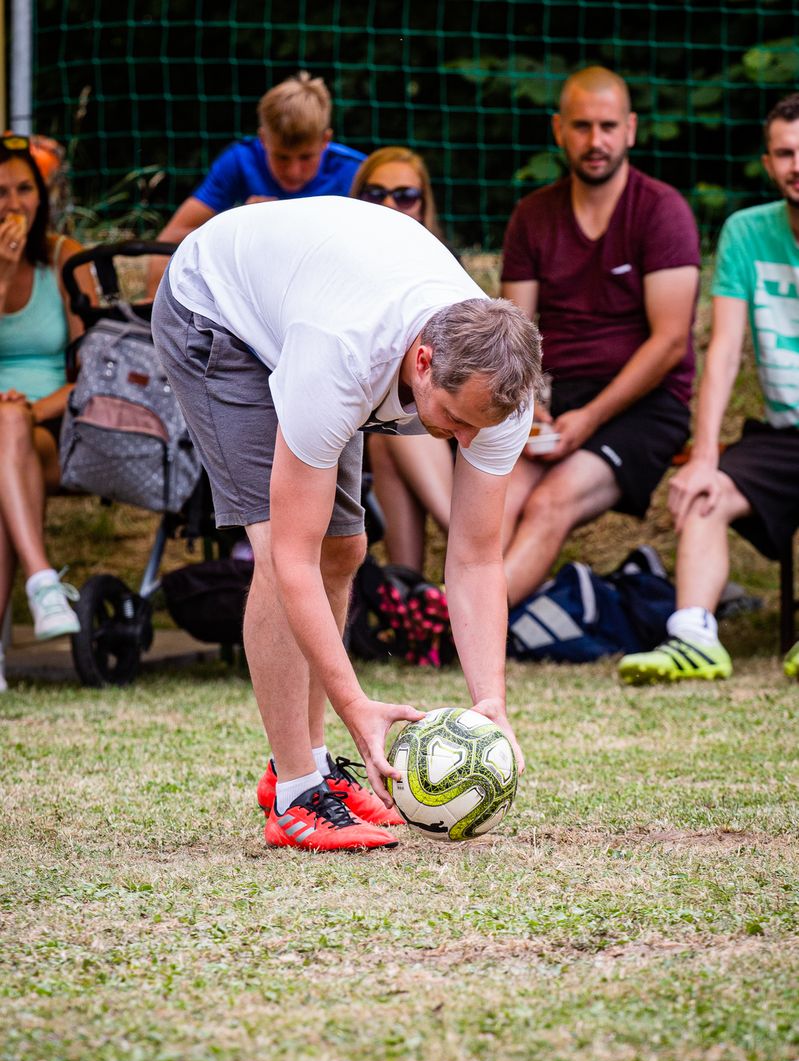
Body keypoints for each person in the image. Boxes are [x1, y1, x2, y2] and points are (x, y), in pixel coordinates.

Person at [152, 196, 542, 852]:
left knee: (343, 550)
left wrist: (490, 699)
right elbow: (290, 560)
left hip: (319, 297)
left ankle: (314, 768)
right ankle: (295, 794)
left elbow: (476, 557)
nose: (467, 443)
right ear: (423, 363)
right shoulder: (342, 356)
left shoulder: (501, 394)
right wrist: (355, 703)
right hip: (217, 307)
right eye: (454, 420)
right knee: (281, 549)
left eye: (481, 427)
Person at [499, 66, 700, 609]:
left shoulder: (662, 211)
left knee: (551, 503)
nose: (596, 141)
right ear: (558, 129)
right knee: (498, 499)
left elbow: (669, 344)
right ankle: (458, 619)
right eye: (582, 126)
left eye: (608, 126)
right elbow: (516, 335)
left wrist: (588, 419)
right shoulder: (532, 216)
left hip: (645, 406)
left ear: (630, 129)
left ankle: (443, 629)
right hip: (557, 399)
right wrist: (531, 407)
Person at [619, 93, 799, 684]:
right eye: (785, 153)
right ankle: (693, 638)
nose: (797, 165)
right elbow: (721, 351)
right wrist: (702, 456)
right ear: (768, 163)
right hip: (782, 435)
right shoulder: (747, 232)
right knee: (703, 493)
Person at [0, 134, 93, 689]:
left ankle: (39, 582)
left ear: (41, 195)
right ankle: (43, 584)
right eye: (0, 192)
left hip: (53, 430)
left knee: (8, 422)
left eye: (24, 189)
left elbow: (92, 371)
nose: (13, 204)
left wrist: (28, 411)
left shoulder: (62, 259)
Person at [351, 147, 454, 571]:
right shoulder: (341, 265)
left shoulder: (444, 268)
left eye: (405, 195)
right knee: (392, 431)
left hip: (436, 414)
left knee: (400, 427)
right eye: (376, 194)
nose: (391, 205)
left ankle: (410, 583)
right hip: (355, 417)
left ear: (424, 205)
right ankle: (462, 548)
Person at [157, 71, 364, 246]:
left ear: (325, 140)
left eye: (306, 157)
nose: (293, 171)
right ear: (263, 139)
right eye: (282, 157)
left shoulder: (356, 171)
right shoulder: (240, 161)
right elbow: (167, 241)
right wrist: (238, 222)